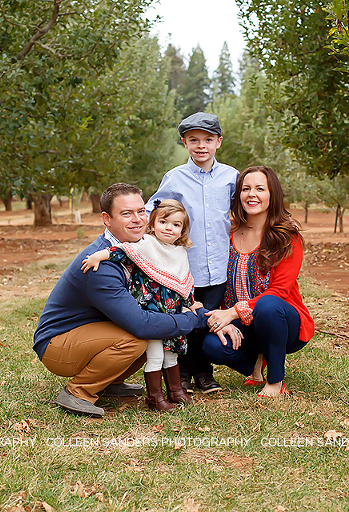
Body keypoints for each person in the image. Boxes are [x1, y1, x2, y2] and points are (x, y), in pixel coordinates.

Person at [32, 184, 209, 417]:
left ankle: (108, 382)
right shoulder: (100, 265)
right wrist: (190, 320)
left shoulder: (143, 249)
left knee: (151, 335)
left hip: (95, 332)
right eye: (126, 214)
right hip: (58, 343)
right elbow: (141, 324)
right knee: (139, 338)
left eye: (141, 211)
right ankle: (79, 392)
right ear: (107, 219)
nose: (137, 220)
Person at [146, 112, 239, 394]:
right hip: (186, 265)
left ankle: (203, 372)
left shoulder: (231, 177)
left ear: (218, 142)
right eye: (194, 140)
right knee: (184, 319)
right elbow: (154, 210)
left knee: (207, 320)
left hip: (219, 265)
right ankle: (181, 373)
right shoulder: (175, 178)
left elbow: (244, 209)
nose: (201, 146)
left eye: (208, 140)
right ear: (185, 143)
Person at [202, 166, 315, 397]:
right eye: (246, 189)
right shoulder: (228, 231)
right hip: (245, 325)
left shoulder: (286, 236)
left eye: (260, 189)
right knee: (210, 346)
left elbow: (280, 291)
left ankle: (275, 380)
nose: (251, 194)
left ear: (272, 195)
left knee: (268, 305)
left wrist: (231, 313)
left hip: (282, 321)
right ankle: (256, 362)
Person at [81, 199, 202, 412]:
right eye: (164, 222)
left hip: (172, 313)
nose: (169, 228)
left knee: (171, 354)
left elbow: (184, 282)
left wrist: (190, 304)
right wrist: (99, 255)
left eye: (176, 225)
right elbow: (122, 251)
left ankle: (175, 392)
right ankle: (154, 397)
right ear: (152, 224)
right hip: (151, 312)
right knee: (155, 355)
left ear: (182, 230)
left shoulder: (180, 253)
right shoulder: (146, 244)